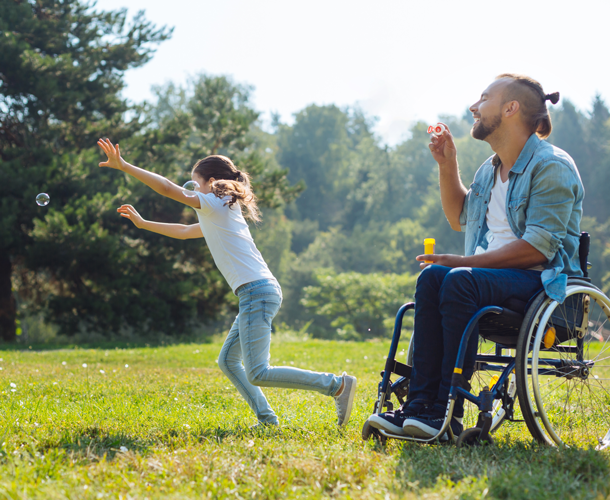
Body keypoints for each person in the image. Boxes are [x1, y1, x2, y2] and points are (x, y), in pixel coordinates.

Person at [368, 73, 584, 440]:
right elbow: (458, 218)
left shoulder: (552, 166)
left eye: (483, 98)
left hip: (540, 284)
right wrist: (447, 165)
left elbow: (537, 248)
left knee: (457, 278)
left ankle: (445, 413)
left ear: (510, 108)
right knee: (433, 277)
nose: (473, 107)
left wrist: (464, 263)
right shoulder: (489, 170)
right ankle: (420, 407)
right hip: (485, 281)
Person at [96, 140, 357, 428]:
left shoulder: (216, 204)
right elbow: (184, 231)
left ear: (210, 182)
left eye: (195, 184)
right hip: (257, 291)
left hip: (256, 291)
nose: (192, 191)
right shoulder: (219, 211)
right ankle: (267, 419)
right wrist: (145, 224)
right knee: (229, 362)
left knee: (258, 371)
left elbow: (169, 189)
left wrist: (125, 166)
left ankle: (337, 385)